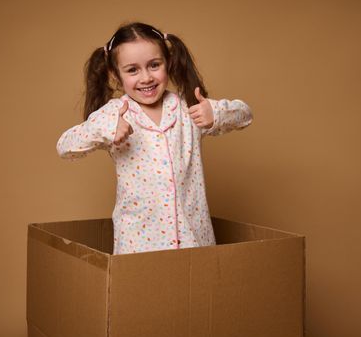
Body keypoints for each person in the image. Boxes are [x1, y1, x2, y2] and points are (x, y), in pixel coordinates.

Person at [56, 22, 252, 255]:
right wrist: (105, 128)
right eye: (132, 70)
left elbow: (245, 115)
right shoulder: (115, 113)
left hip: (194, 239)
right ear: (115, 74)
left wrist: (216, 113)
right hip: (139, 244)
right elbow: (65, 146)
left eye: (154, 65)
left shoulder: (187, 109)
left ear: (168, 62)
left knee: (198, 291)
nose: (146, 77)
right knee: (143, 292)